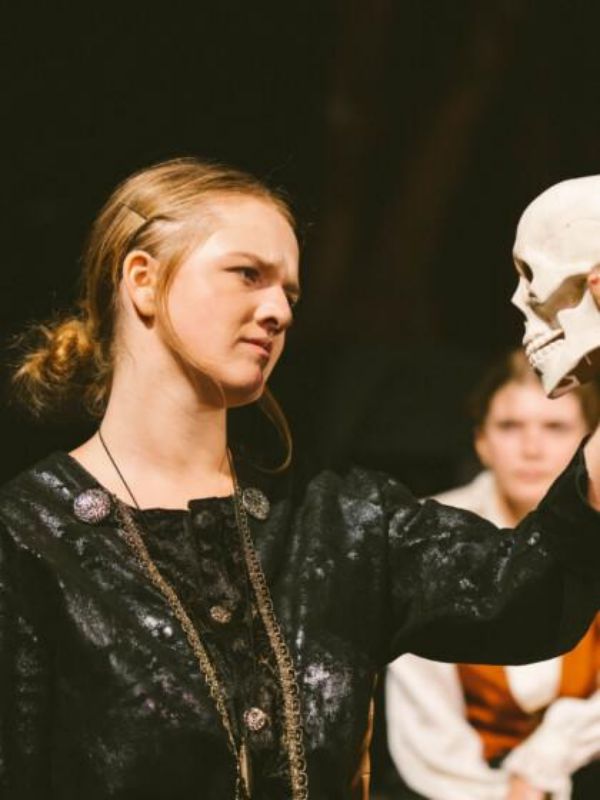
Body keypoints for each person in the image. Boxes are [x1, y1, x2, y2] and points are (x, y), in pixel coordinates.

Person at [2, 157, 600, 800]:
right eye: (247, 274)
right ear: (144, 280)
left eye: (288, 294)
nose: (278, 311)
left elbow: (535, 589)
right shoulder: (29, 541)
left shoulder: (337, 524)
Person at [386, 351, 600, 800]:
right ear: (481, 441)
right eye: (509, 426)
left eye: (555, 427)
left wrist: (548, 760)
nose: (531, 448)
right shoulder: (429, 536)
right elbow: (426, 717)